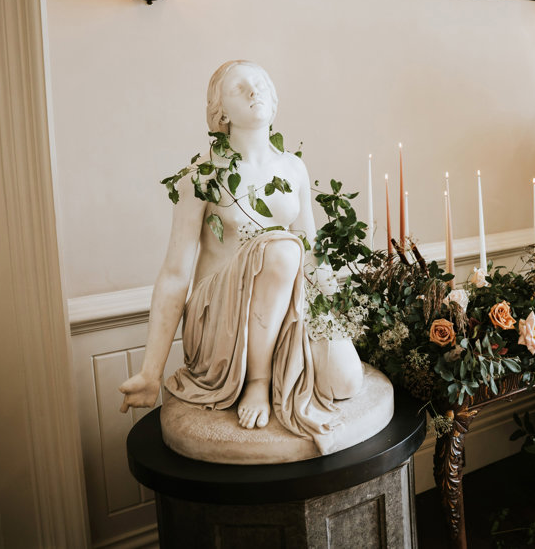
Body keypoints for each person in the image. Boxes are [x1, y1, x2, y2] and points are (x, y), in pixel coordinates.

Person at [118, 61, 362, 450]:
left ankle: (284, 356)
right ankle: (258, 381)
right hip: (220, 319)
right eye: (240, 87)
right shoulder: (201, 177)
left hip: (285, 302)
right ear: (220, 112)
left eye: (261, 82)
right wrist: (151, 371)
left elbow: (312, 252)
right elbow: (175, 274)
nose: (254, 91)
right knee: (283, 248)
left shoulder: (293, 168)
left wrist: (333, 313)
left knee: (345, 380)